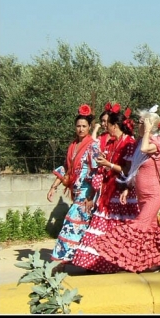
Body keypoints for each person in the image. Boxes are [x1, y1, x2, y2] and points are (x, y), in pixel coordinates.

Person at [84, 107, 160, 273]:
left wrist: (148, 131)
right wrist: (126, 188)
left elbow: (145, 149)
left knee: (137, 227)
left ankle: (127, 262)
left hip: (153, 195)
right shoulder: (140, 142)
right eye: (139, 122)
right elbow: (134, 170)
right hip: (142, 195)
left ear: (151, 125)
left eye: (142, 123)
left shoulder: (159, 143)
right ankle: (158, 261)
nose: (139, 125)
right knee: (150, 230)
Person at [72, 104, 139, 273]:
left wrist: (108, 164)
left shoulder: (129, 143)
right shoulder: (111, 142)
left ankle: (119, 263)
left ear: (114, 125)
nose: (104, 126)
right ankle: (96, 263)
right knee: (101, 227)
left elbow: (128, 170)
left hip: (122, 192)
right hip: (108, 191)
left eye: (106, 124)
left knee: (119, 231)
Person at [47, 104, 99, 267]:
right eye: (78, 126)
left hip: (86, 192)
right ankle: (85, 260)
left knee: (71, 224)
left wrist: (91, 196)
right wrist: (54, 187)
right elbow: (67, 169)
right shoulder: (72, 146)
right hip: (76, 192)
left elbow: (95, 171)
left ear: (89, 127)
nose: (81, 129)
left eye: (84, 126)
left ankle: (61, 260)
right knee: (82, 227)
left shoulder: (93, 145)